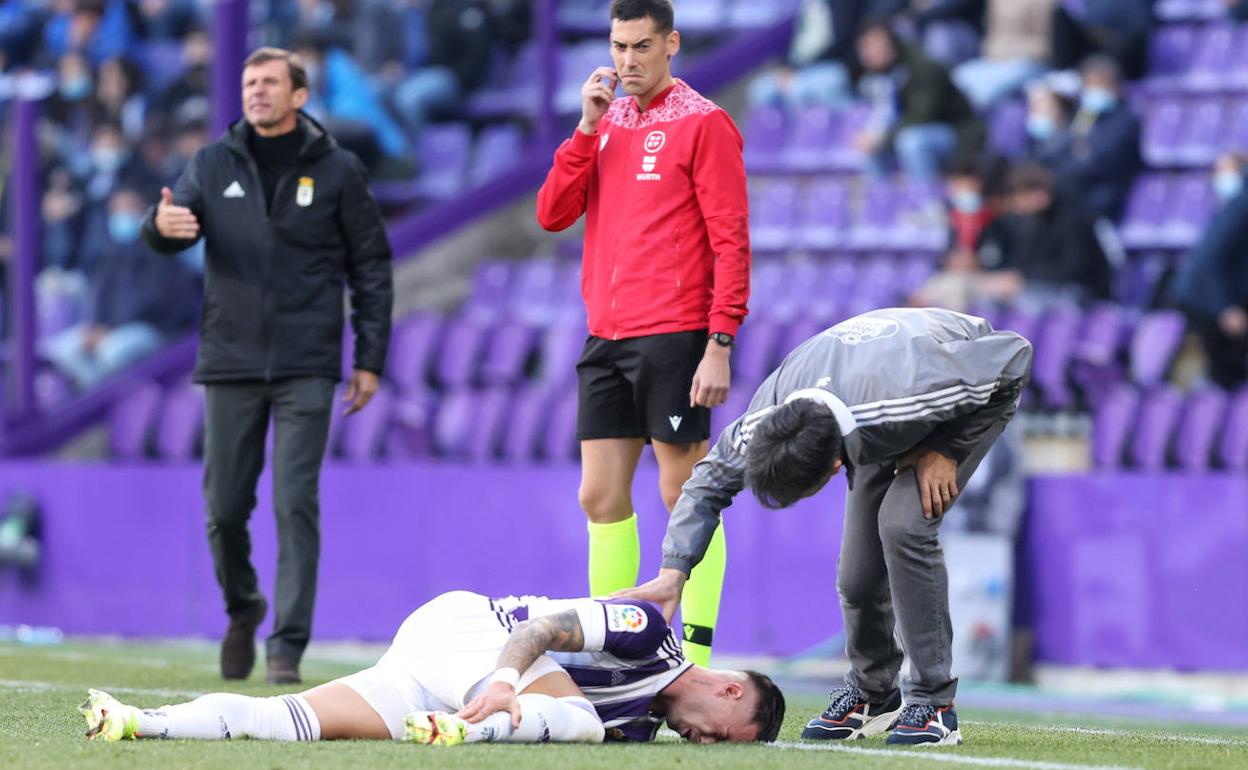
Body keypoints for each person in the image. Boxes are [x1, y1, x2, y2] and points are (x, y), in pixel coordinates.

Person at [621, 307, 1033, 746]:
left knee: (903, 525)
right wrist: (673, 572)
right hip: (867, 400)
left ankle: (934, 702)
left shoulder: (910, 396)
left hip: (945, 386)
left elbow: (1014, 355)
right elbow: (703, 485)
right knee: (856, 574)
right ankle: (873, 692)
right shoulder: (766, 420)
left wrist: (947, 448)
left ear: (837, 466)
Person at [141, 47, 394, 685]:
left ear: (299, 94)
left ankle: (286, 646)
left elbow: (370, 267)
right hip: (229, 358)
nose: (256, 92)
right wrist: (158, 223)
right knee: (224, 509)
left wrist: (368, 357)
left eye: (269, 82)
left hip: (308, 361)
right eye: (250, 82)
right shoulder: (214, 161)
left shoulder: (338, 170)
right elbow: (173, 225)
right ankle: (243, 605)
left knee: (294, 501)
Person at [535, 0, 750, 667]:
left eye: (641, 46)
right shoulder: (603, 125)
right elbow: (551, 214)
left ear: (671, 44)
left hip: (676, 333)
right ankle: (613, 655)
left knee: (682, 493)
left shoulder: (705, 123)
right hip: (606, 335)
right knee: (599, 495)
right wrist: (583, 130)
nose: (627, 61)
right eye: (618, 46)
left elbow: (731, 239)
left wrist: (720, 342)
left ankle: (697, 653)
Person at [78, 591, 785, 745]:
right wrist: (504, 681)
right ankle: (458, 732)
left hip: (428, 669)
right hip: (468, 632)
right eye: (727, 733)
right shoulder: (648, 635)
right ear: (730, 687)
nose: (708, 745)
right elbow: (541, 628)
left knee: (286, 723)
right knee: (574, 721)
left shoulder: (643, 727)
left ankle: (139, 721)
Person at [42, 186, 197, 390]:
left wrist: (109, 328)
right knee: (59, 350)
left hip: (153, 328)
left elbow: (153, 302)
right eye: (116, 209)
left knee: (111, 352)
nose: (121, 214)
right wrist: (95, 324)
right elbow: (102, 294)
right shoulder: (113, 249)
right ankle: (99, 402)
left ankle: (104, 405)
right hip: (111, 327)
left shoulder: (163, 248)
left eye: (128, 208)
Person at [853, 20, 984, 181]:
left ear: (891, 42)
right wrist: (873, 138)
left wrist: (883, 138)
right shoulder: (874, 78)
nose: (871, 52)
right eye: (865, 47)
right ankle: (881, 199)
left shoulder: (923, 67)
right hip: (904, 131)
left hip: (955, 132)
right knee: (869, 148)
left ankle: (924, 200)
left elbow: (921, 116)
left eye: (876, 44)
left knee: (911, 141)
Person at [1171, 152, 1248, 389]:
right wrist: (1224, 307)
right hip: (1210, 303)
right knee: (1224, 375)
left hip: (1210, 298)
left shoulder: (1235, 204)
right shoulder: (1240, 206)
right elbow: (1212, 258)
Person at [1052, 54, 1140, 222]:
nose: (1093, 90)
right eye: (1089, 84)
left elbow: (1099, 159)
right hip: (1074, 192)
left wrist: (1078, 155)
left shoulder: (1126, 120)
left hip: (1107, 195)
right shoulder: (1084, 115)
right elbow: (1062, 150)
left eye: (1099, 84)